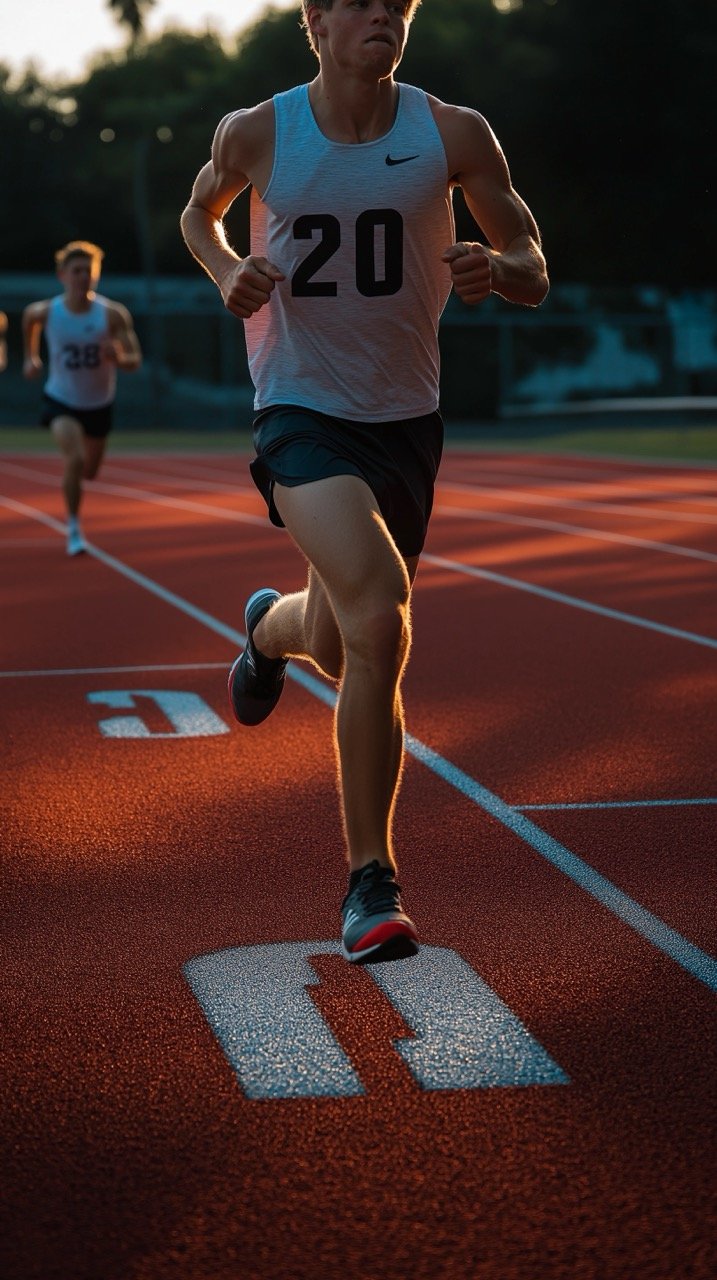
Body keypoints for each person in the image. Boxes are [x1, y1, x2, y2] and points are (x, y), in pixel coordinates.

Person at [181, 0, 549, 964]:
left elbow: (533, 263)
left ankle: (268, 629)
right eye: (359, 0)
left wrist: (494, 267)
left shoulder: (455, 133)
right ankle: (369, 886)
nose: (381, 13)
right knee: (381, 615)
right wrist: (224, 270)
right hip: (300, 409)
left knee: (349, 649)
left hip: (405, 423)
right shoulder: (260, 130)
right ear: (316, 21)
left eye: (397, 1)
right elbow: (197, 211)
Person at [22, 241, 142, 556]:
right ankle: (73, 528)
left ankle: (75, 512)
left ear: (96, 275)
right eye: (76, 271)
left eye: (88, 271)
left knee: (89, 471)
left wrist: (118, 357)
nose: (82, 277)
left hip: (99, 404)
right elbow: (28, 319)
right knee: (73, 459)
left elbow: (134, 360)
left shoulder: (112, 314)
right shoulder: (49, 311)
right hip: (60, 399)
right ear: (62, 275)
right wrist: (30, 357)